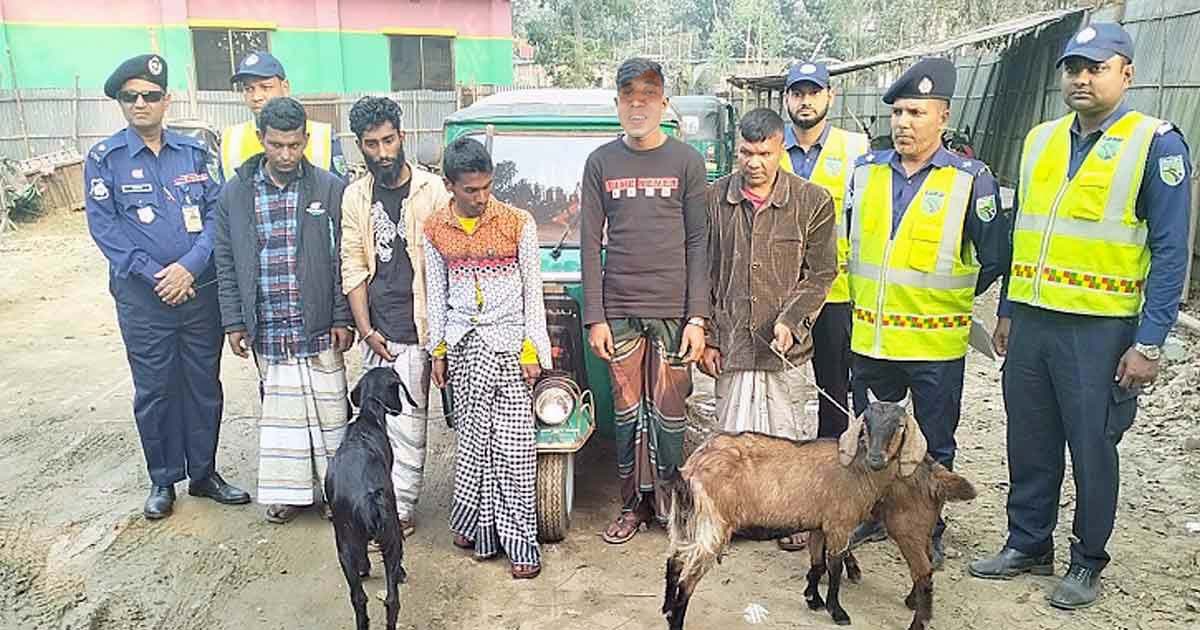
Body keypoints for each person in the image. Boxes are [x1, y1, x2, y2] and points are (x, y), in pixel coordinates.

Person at [969, 23, 1191, 610]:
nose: (1082, 79)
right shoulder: (1040, 140)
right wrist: (1008, 309)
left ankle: (1088, 559)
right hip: (1034, 321)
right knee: (1029, 438)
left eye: (1097, 67)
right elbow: (1022, 234)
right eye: (1073, 68)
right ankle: (1027, 542)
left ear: (1127, 74)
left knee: (1092, 449)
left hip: (1100, 329)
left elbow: (1172, 251)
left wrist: (1150, 342)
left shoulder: (1156, 145)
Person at [844, 58, 1012, 568]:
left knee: (934, 444)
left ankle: (925, 529)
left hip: (934, 343)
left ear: (943, 116)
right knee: (873, 437)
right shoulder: (865, 172)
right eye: (897, 112)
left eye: (916, 112)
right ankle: (876, 515)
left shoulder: (970, 180)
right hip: (873, 338)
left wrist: (950, 299)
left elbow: (996, 256)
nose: (904, 122)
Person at [84, 54, 250, 520]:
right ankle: (163, 479)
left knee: (203, 385)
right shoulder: (105, 159)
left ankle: (204, 473)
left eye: (150, 95)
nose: (141, 103)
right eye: (130, 97)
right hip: (144, 299)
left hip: (198, 293)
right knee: (155, 389)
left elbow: (217, 215)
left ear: (166, 100)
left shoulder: (196, 153)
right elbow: (105, 229)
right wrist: (159, 275)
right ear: (121, 102)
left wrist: (189, 268)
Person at [579, 58, 709, 545]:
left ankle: (673, 507)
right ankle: (632, 505)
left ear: (664, 103)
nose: (638, 105)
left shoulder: (687, 162)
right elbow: (590, 243)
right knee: (627, 415)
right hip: (619, 313)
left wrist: (698, 317)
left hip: (675, 313)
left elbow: (699, 242)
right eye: (628, 96)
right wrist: (595, 317)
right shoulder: (600, 163)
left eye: (648, 95)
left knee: (670, 415)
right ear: (617, 104)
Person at [212, 96, 354, 524]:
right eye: (277, 145)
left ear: (306, 139)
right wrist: (234, 321)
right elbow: (226, 260)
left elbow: (343, 257)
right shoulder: (236, 192)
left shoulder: (328, 188)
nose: (287, 155)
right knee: (282, 416)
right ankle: (289, 492)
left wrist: (342, 316)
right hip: (268, 324)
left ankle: (335, 493)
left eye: (294, 145)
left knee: (331, 414)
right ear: (261, 139)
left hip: (318, 322)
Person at [423, 137, 552, 580]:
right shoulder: (434, 229)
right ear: (449, 185)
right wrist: (438, 351)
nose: (481, 197)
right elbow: (436, 295)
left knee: (514, 449)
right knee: (473, 444)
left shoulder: (518, 222)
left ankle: (521, 543)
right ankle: (475, 527)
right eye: (471, 190)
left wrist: (532, 348)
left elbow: (532, 291)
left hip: (511, 346)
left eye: (487, 187)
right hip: (464, 347)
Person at [340, 96, 450, 537]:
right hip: (379, 330)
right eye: (372, 144)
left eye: (389, 141)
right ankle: (383, 506)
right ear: (359, 146)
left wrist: (440, 340)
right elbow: (352, 265)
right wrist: (365, 330)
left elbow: (446, 263)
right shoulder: (355, 196)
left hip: (423, 325)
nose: (383, 152)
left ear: (402, 137)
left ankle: (402, 507)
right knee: (380, 424)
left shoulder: (432, 190)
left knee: (412, 425)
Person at [701, 105, 837, 459]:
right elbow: (701, 272)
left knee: (785, 457)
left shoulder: (812, 201)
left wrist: (791, 322)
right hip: (731, 348)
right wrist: (708, 339)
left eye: (765, 154)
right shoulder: (713, 200)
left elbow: (821, 273)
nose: (754, 163)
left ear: (781, 149)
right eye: (746, 153)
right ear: (737, 150)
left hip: (784, 354)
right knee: (731, 456)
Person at [780, 61, 870, 442]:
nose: (806, 101)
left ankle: (832, 457)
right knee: (776, 387)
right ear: (787, 99)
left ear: (830, 96)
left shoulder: (855, 150)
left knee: (834, 388)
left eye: (814, 93)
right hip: (780, 293)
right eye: (797, 93)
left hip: (835, 293)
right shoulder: (769, 148)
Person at [219, 52, 346, 180]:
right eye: (249, 89)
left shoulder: (322, 136)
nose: (256, 97)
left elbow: (339, 188)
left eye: (266, 87)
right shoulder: (230, 139)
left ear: (285, 87)